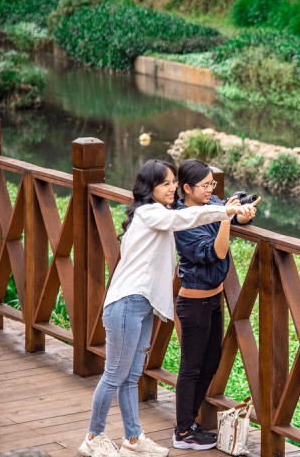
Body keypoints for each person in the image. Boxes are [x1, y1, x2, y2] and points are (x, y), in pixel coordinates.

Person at [78, 160, 257, 457]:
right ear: (150, 189)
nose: (173, 188)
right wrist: (228, 211)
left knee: (132, 376)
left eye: (174, 181)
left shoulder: (158, 213)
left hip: (141, 305)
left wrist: (235, 210)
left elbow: (198, 211)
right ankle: (93, 437)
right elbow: (187, 219)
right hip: (127, 304)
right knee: (114, 375)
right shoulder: (151, 213)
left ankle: (133, 440)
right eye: (166, 184)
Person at [172, 159, 259, 450]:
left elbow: (234, 217)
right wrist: (225, 216)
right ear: (186, 188)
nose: (211, 190)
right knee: (191, 367)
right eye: (205, 185)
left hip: (213, 300)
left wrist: (243, 214)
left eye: (213, 184)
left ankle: (190, 424)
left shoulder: (212, 202)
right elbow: (217, 251)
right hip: (194, 302)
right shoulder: (182, 220)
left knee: (210, 364)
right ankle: (182, 432)